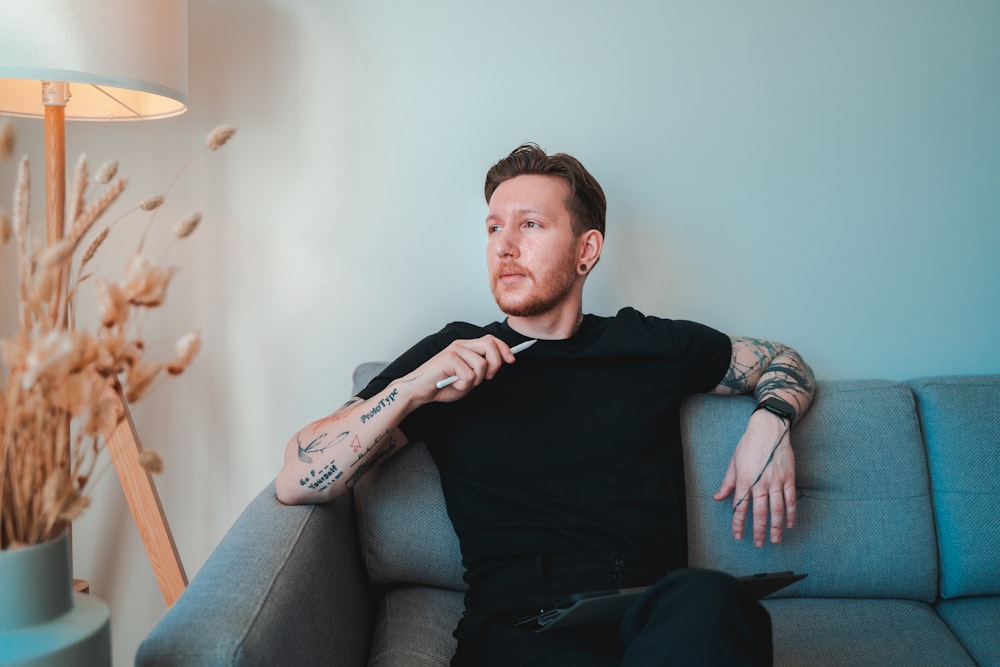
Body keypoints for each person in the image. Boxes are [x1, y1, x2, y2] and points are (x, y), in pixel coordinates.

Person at [276, 143, 816, 666]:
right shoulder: (452, 357)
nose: (504, 246)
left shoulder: (649, 345)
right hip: (525, 629)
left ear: (587, 250)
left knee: (713, 601)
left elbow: (781, 360)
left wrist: (771, 421)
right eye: (493, 228)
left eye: (529, 224)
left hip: (653, 618)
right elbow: (298, 477)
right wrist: (412, 388)